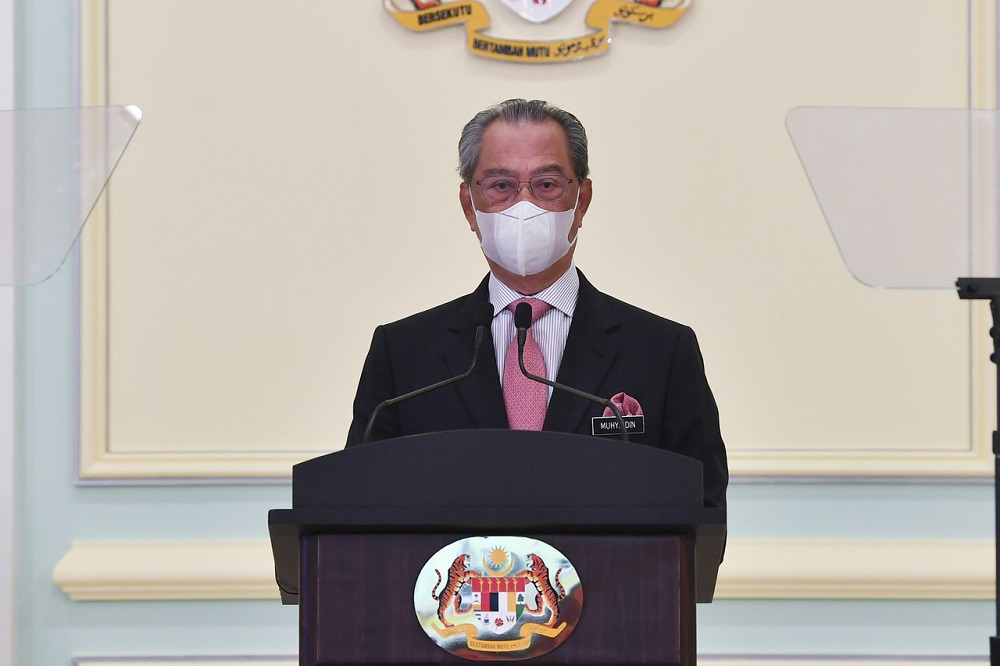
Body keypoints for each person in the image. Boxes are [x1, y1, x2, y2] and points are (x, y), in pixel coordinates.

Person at [345, 98, 728, 509]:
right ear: (468, 206)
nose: (523, 206)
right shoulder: (404, 355)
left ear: (581, 201)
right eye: (501, 186)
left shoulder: (662, 352)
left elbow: (700, 510)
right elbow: (358, 505)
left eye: (546, 185)